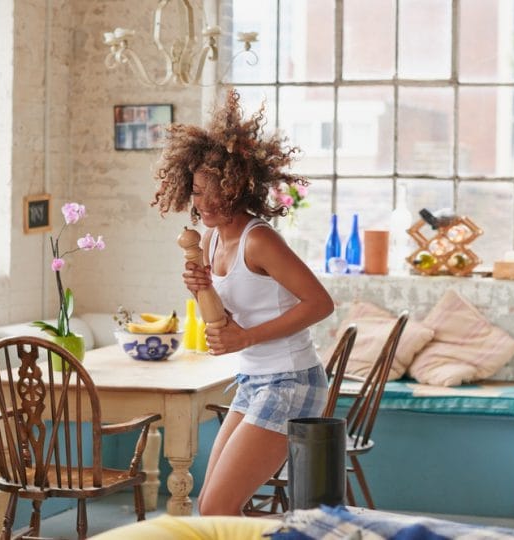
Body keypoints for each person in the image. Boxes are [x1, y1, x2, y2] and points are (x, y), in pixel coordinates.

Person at [151, 89, 334, 516]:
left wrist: (245, 338)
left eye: (216, 192)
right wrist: (200, 287)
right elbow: (225, 319)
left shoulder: (260, 239)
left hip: (291, 380)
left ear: (239, 188)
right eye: (197, 193)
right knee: (212, 508)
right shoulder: (211, 239)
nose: (206, 204)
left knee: (218, 508)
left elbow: (320, 304)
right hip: (254, 379)